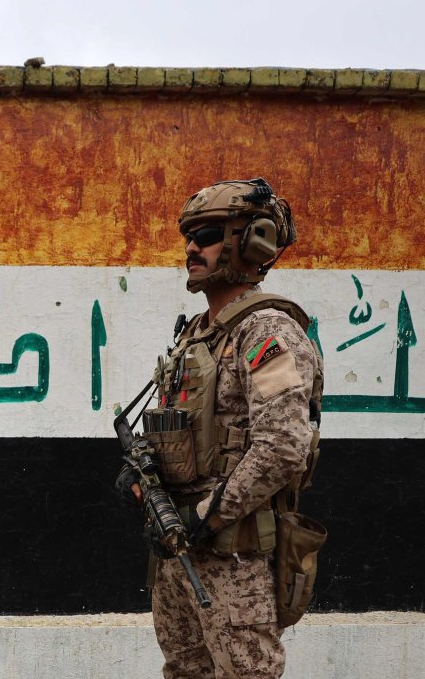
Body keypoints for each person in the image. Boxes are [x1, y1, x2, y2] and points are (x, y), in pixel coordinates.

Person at [118, 179, 323, 679]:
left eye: (207, 234)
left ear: (251, 242)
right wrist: (140, 474)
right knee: (185, 672)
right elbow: (177, 428)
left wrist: (207, 517)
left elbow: (283, 447)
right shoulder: (196, 335)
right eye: (189, 237)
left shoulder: (267, 331)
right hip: (176, 552)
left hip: (234, 557)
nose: (192, 247)